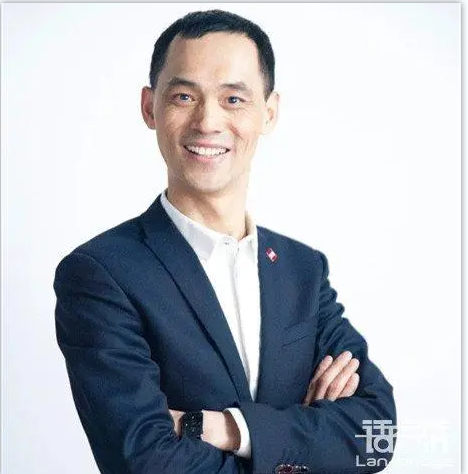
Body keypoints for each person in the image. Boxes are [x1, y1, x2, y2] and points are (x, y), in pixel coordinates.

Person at [54, 9, 396, 474]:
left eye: (234, 99)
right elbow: (145, 462)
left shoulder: (302, 270)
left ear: (268, 112)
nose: (207, 121)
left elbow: (375, 434)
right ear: (150, 107)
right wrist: (304, 444)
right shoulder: (102, 274)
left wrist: (228, 428)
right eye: (184, 96)